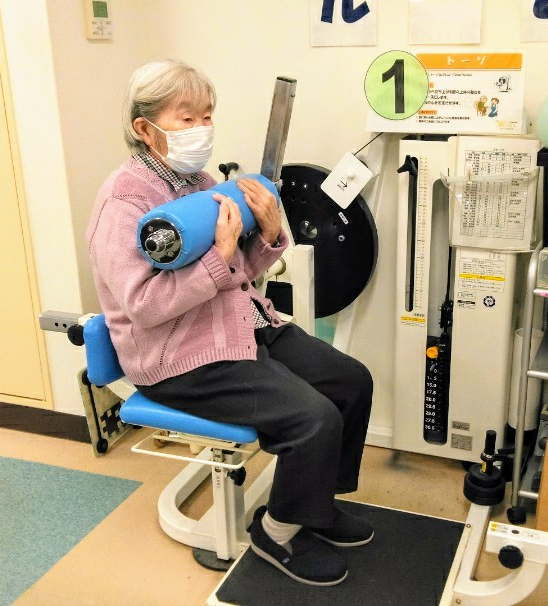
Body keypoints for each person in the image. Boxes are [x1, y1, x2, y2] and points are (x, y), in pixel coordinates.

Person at [85, 59, 374, 587]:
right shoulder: (123, 203)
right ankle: (277, 532)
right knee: (313, 418)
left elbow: (238, 271)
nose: (202, 129)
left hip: (239, 324)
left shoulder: (196, 182)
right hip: (178, 355)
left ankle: (315, 508)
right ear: (145, 128)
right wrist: (218, 259)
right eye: (187, 118)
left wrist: (268, 231)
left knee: (351, 382)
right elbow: (145, 304)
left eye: (207, 116)